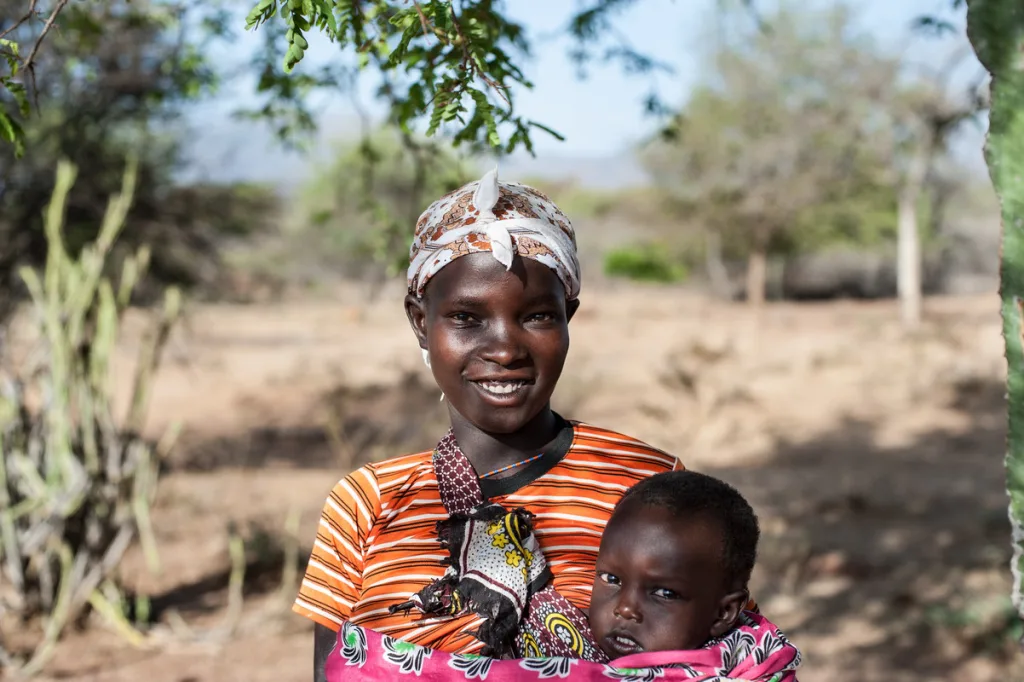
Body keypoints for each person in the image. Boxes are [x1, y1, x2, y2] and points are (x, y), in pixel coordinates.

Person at [294, 167, 681, 680]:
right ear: (419, 323)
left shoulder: (648, 482)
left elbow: (715, 658)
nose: (504, 349)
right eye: (466, 318)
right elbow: (333, 673)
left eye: (538, 316)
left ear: (570, 317)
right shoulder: (368, 501)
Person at [322, 470, 801, 681]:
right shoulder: (559, 654)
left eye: (663, 592)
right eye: (611, 580)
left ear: (725, 614)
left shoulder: (755, 669)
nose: (627, 607)